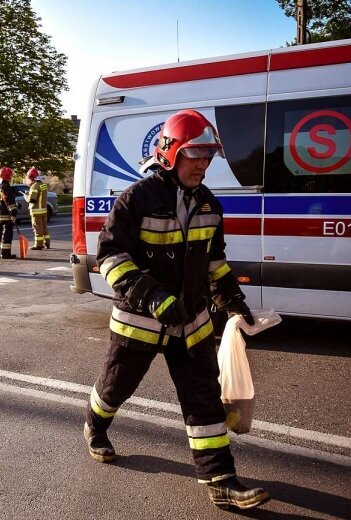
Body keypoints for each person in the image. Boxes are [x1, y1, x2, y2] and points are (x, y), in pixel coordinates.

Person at [83, 109, 268, 511]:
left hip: (192, 324)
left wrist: (231, 300)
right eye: (194, 154)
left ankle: (221, 479)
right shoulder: (136, 199)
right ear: (170, 153)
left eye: (207, 156)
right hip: (139, 323)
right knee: (116, 388)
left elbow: (214, 261)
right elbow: (111, 257)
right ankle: (95, 426)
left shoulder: (209, 205)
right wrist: (151, 297)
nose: (202, 163)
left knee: (202, 397)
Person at [0, 166, 18, 259]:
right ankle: (6, 253)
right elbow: (10, 203)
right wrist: (14, 213)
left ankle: (1, 250)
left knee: (0, 234)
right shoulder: (7, 187)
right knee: (7, 234)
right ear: (8, 176)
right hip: (6, 215)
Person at [23, 167, 50, 250]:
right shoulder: (43, 184)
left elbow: (32, 199)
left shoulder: (34, 186)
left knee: (37, 228)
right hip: (44, 210)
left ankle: (38, 244)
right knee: (44, 227)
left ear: (32, 177)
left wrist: (25, 196)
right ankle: (47, 243)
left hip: (36, 211)